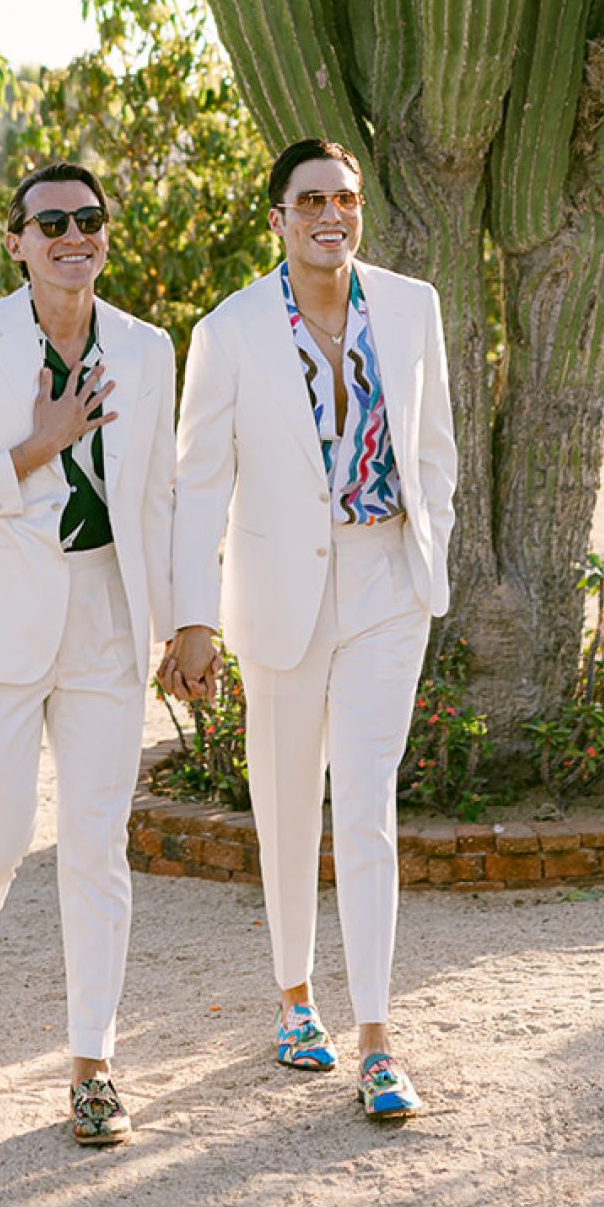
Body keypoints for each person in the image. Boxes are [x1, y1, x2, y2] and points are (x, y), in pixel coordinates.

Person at [165, 139, 457, 1124]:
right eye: (312, 200)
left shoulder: (412, 307)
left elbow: (435, 448)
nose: (332, 213)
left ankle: (377, 1038)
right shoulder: (228, 330)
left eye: (346, 197)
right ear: (279, 218)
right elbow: (198, 481)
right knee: (288, 801)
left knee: (367, 802)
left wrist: (428, 547)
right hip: (279, 588)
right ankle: (295, 996)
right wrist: (192, 617)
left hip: (385, 581)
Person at [0, 160, 176, 1146]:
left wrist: (185, 620)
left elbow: (160, 495)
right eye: (50, 221)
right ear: (15, 240)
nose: (73, 234)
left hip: (106, 612)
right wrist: (37, 444)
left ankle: (93, 1064)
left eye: (89, 218)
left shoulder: (148, 348)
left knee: (97, 843)